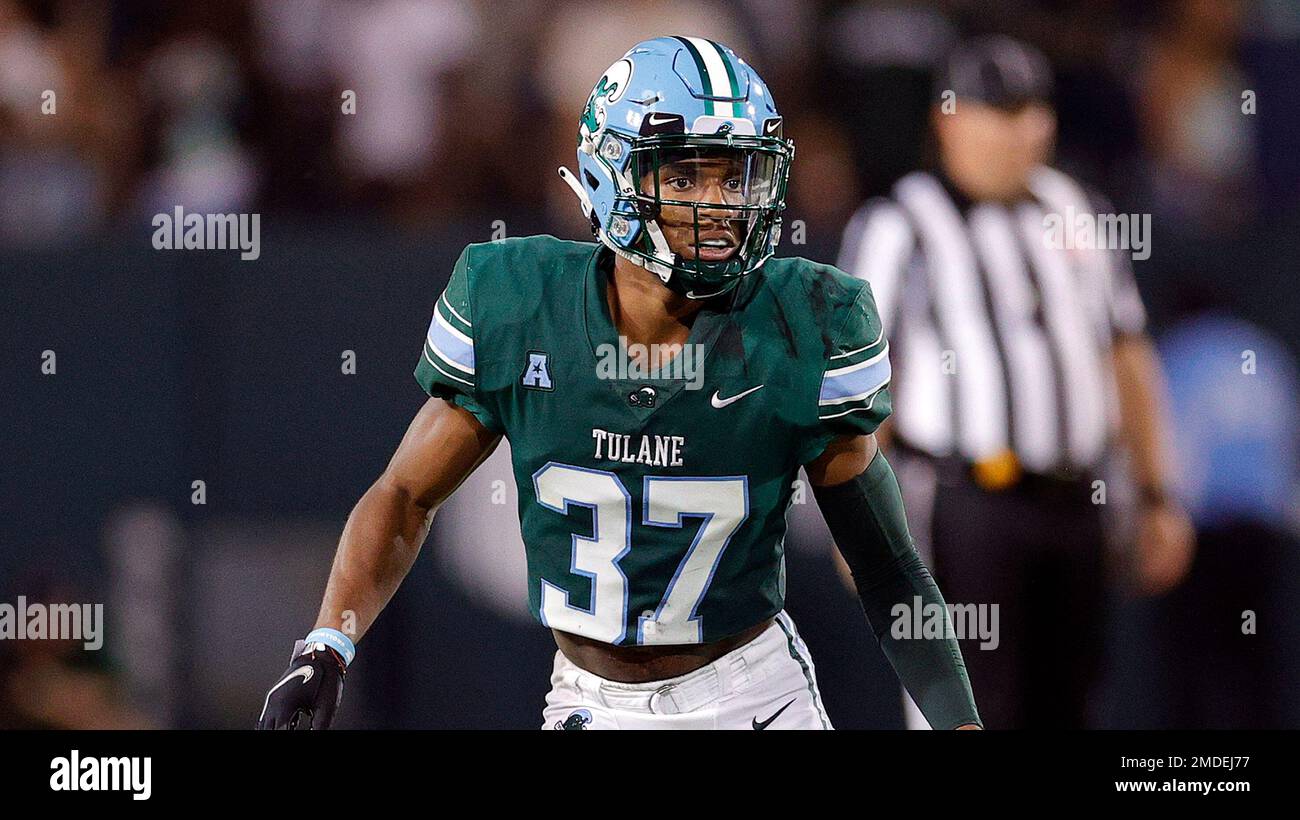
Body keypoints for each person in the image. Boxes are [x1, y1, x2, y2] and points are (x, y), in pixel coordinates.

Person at [257, 36, 978, 730]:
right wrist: (328, 643)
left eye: (736, 174)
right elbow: (406, 495)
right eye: (687, 174)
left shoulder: (801, 322)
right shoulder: (518, 303)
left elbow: (885, 563)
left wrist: (958, 723)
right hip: (590, 704)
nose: (721, 203)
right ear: (613, 176)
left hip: (755, 699)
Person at [837, 35, 1194, 728]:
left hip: (1075, 502)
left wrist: (1156, 491)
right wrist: (861, 525)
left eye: (1034, 110)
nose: (1025, 129)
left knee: (1074, 705)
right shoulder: (898, 223)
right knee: (968, 708)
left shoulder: (1077, 210)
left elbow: (1126, 354)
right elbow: (858, 384)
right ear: (950, 120)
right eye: (1002, 111)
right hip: (966, 505)